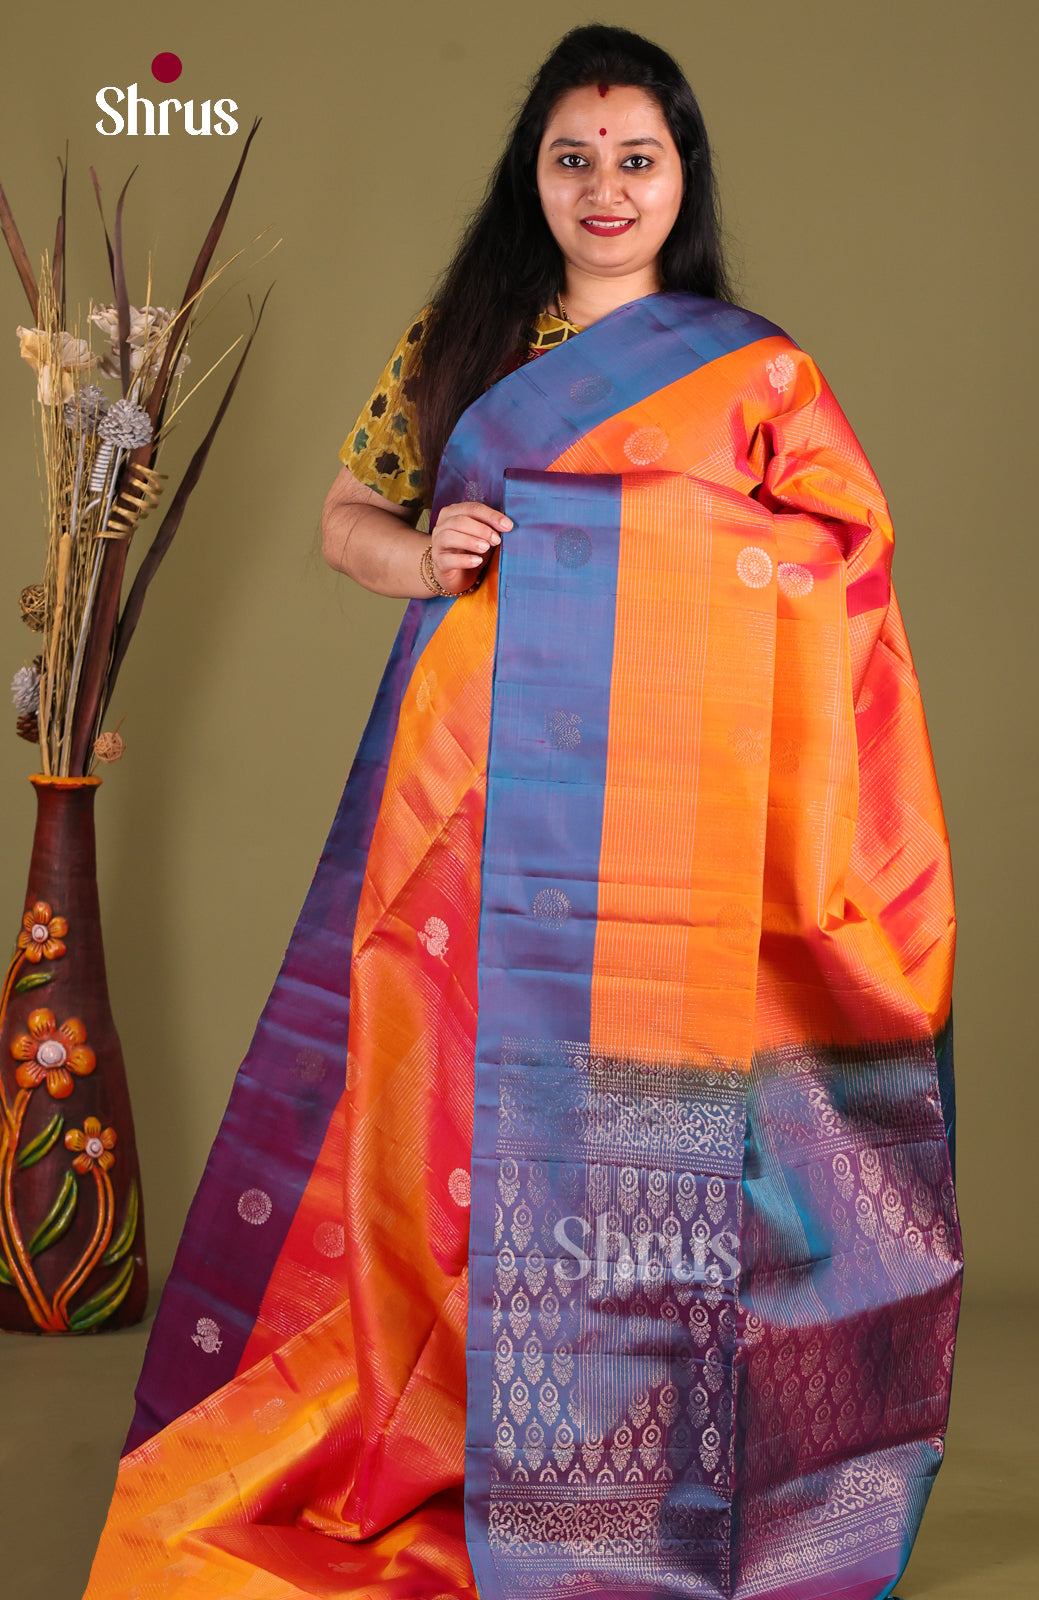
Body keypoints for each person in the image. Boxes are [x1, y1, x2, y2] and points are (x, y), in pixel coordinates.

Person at [84, 25, 959, 1600]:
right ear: (533, 180)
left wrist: (727, 574)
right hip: (478, 808)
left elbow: (840, 559)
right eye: (574, 160)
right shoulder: (470, 340)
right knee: (455, 1123)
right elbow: (351, 514)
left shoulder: (754, 375)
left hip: (674, 845)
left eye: (637, 159)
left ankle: (639, 1473)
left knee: (657, 1140)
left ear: (681, 179)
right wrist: (425, 559)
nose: (605, 188)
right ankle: (454, 1435)